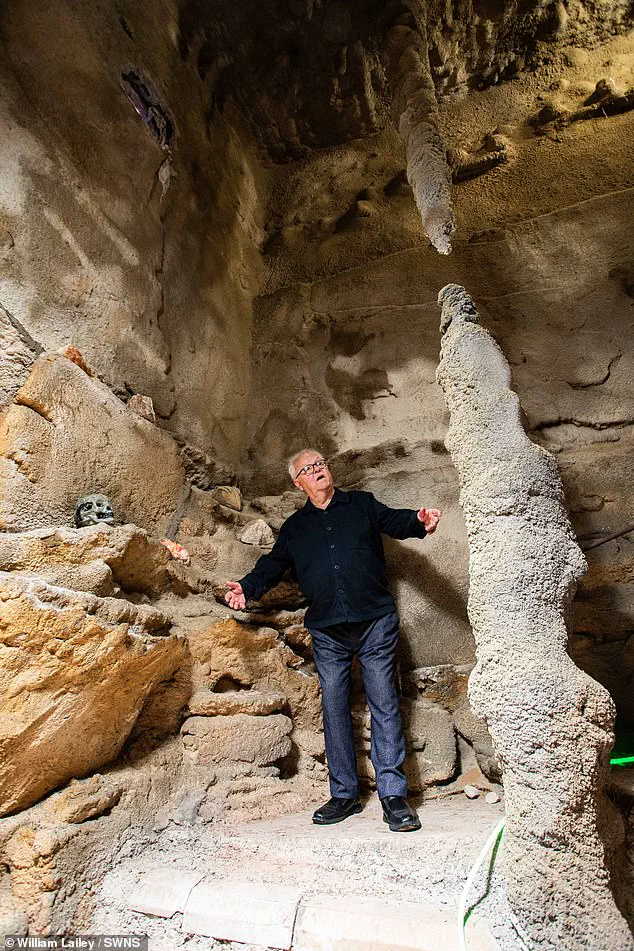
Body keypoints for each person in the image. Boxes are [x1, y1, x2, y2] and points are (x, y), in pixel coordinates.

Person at [225, 449, 441, 832]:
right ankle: (344, 794)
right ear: (298, 483)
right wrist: (246, 586)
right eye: (308, 469)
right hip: (327, 631)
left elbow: (395, 520)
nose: (317, 471)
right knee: (335, 708)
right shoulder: (295, 528)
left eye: (320, 464)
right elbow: (272, 565)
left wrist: (418, 522)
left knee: (385, 704)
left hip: (375, 623)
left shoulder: (362, 505)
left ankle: (394, 797)